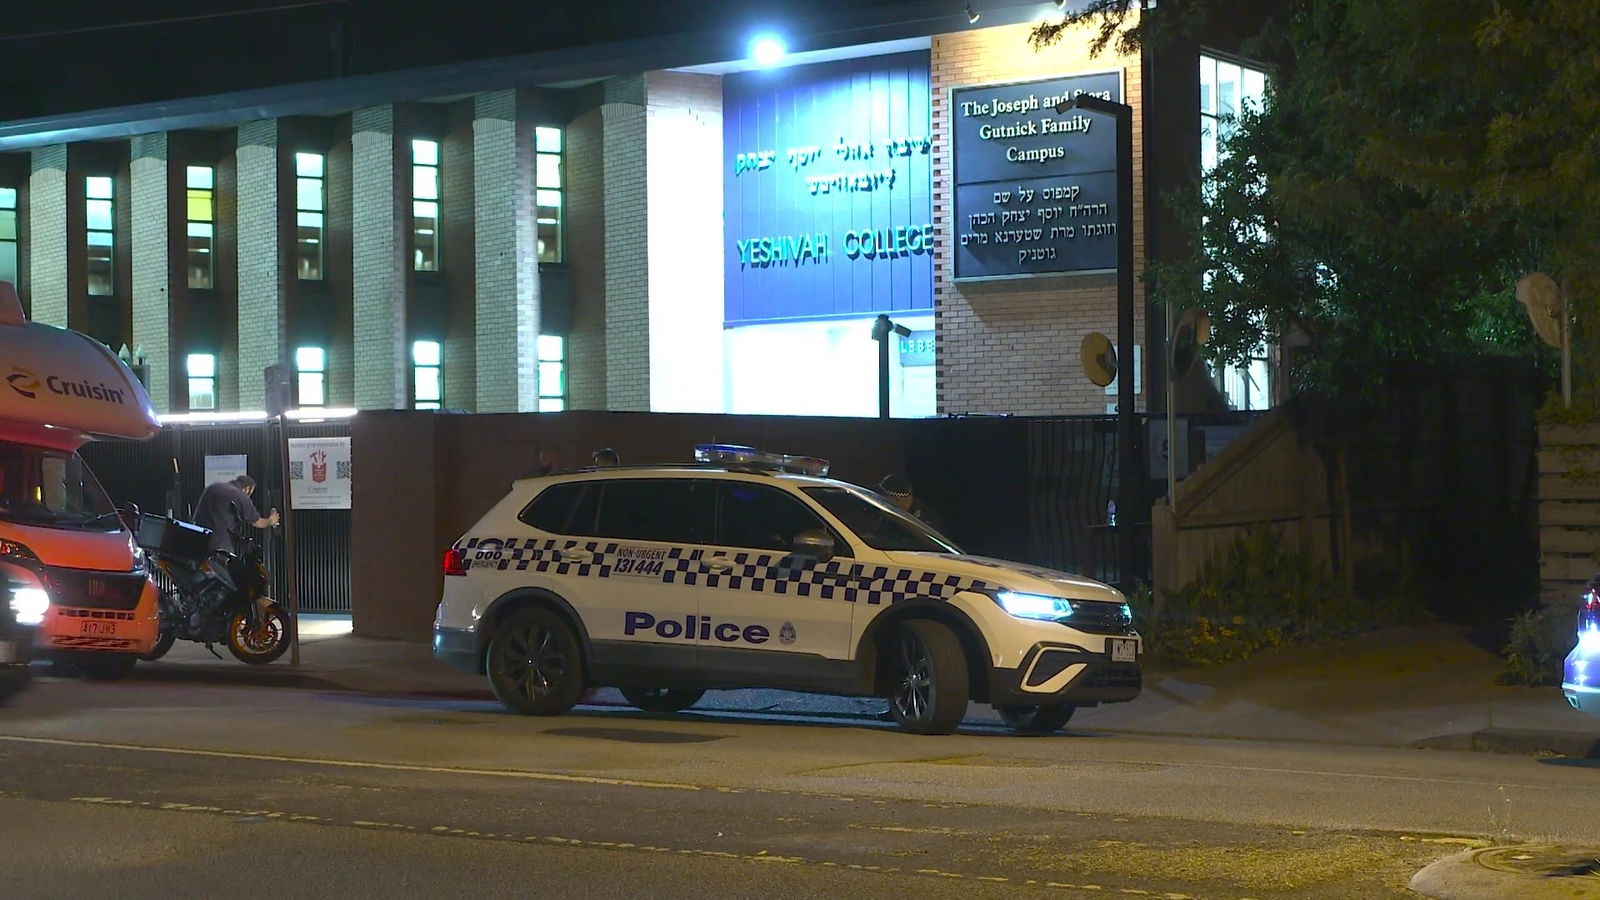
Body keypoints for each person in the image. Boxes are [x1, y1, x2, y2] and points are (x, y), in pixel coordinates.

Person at [194, 475, 279, 555]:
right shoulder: (239, 495)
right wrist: (271, 520)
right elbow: (258, 522)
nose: (249, 496)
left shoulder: (214, 487)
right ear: (247, 488)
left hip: (197, 537)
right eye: (250, 493)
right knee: (224, 567)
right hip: (217, 543)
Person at [876, 474, 942, 532]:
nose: (881, 502)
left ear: (897, 499)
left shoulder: (925, 522)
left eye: (883, 498)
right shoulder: (889, 515)